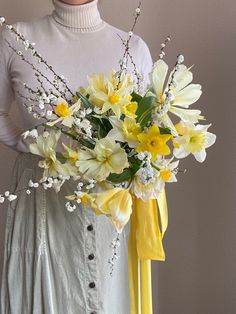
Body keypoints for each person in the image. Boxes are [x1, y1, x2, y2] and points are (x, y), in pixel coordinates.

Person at [0, 0, 153, 313]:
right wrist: (34, 149)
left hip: (110, 214)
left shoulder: (132, 48)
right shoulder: (15, 39)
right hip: (41, 209)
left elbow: (146, 135)